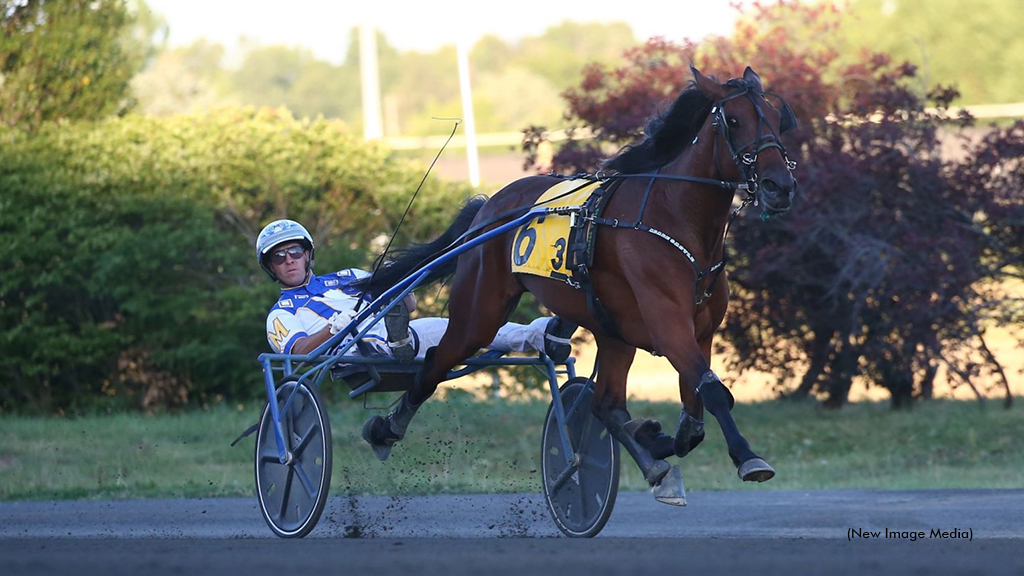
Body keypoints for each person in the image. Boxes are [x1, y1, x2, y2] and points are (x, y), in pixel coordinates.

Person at [256, 219, 577, 362]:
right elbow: (298, 354)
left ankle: (541, 335)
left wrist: (402, 285)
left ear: (308, 253)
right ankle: (396, 343)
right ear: (271, 268)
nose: (289, 261)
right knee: (379, 338)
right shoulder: (281, 314)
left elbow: (408, 305)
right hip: (351, 354)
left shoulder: (349, 275)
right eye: (279, 257)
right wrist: (333, 328)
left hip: (406, 332)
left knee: (463, 327)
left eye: (295, 251)